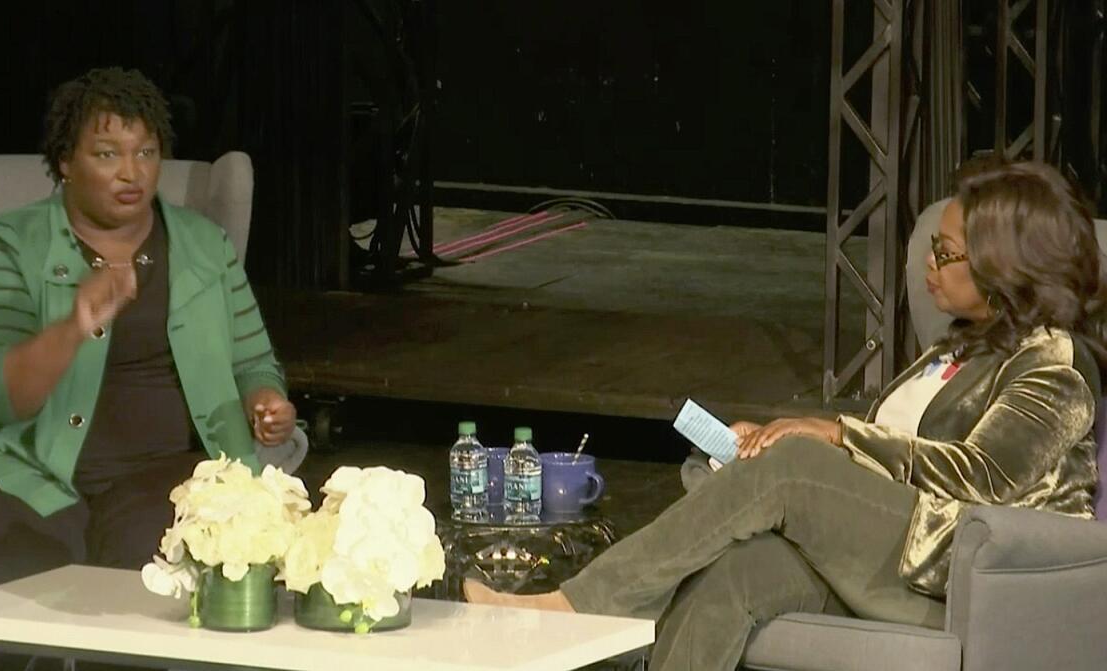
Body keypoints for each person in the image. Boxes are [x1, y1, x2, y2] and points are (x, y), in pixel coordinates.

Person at [466, 160, 1104, 671]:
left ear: (1004, 270)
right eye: (933, 248)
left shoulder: (1054, 365)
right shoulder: (957, 346)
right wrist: (773, 441)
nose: (928, 267)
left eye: (946, 254)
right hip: (890, 555)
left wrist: (833, 437)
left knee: (795, 466)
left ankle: (576, 605)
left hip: (964, 576)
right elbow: (892, 445)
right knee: (734, 576)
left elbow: (984, 476)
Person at [0, 67, 296, 618]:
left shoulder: (203, 245)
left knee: (150, 589)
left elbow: (254, 361)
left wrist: (265, 401)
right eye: (107, 154)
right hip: (15, 472)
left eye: (145, 153)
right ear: (65, 163)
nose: (132, 172)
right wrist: (71, 329)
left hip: (164, 482)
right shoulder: (1, 246)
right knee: (16, 578)